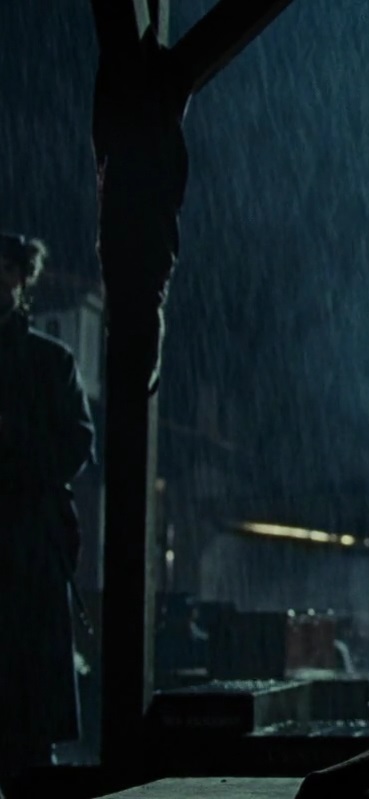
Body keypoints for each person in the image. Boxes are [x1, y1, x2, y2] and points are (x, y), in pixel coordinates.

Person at [0, 232, 95, 796]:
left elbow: (76, 442)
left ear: (21, 278)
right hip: (28, 533)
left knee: (29, 712)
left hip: (29, 543)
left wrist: (20, 457)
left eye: (4, 268)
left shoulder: (49, 360)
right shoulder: (48, 361)